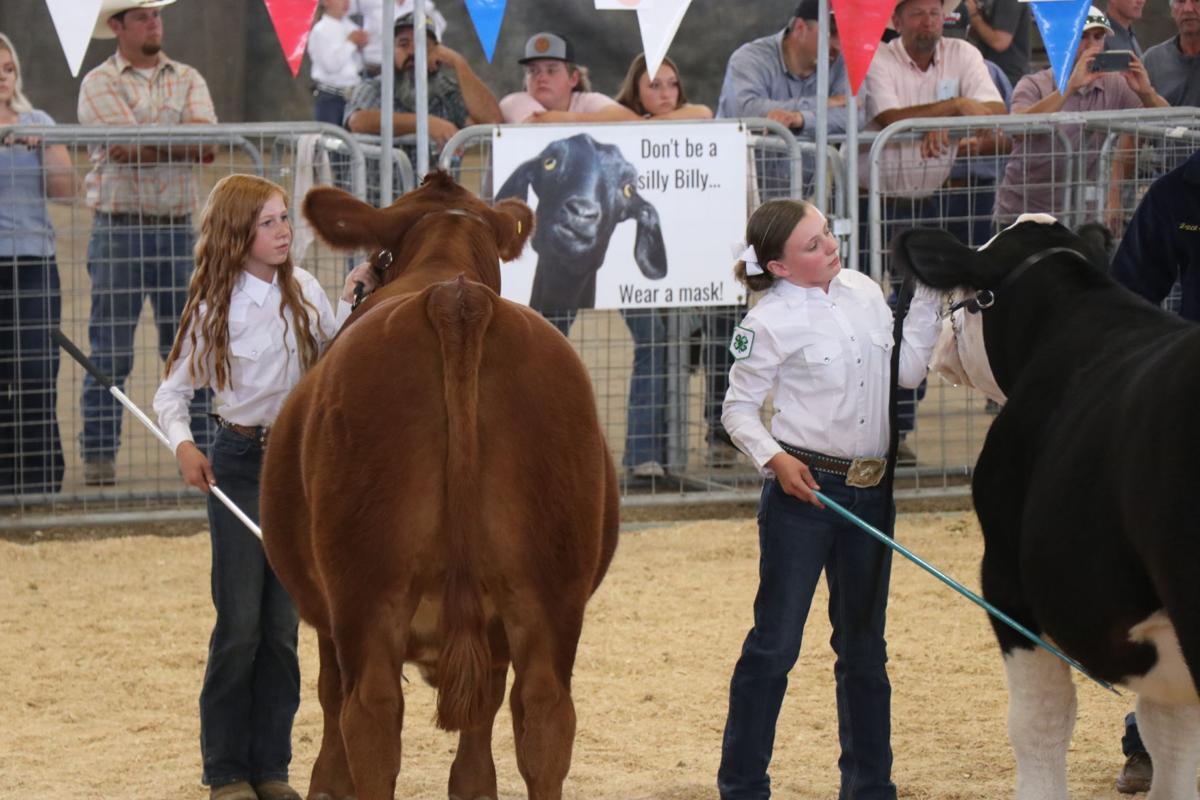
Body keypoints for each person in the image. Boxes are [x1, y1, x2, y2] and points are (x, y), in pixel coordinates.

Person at [153, 174, 377, 800]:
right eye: (270, 223)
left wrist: (352, 299)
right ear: (238, 234)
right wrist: (185, 446)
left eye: (285, 219)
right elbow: (171, 392)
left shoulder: (303, 289)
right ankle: (226, 771)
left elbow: (334, 354)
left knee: (284, 627)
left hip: (299, 466)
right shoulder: (212, 306)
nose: (284, 232)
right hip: (240, 464)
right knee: (241, 624)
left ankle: (271, 768)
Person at [715, 199, 941, 800]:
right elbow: (737, 410)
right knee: (775, 644)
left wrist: (924, 292)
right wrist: (774, 458)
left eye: (827, 234)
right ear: (780, 268)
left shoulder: (865, 292)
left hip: (872, 492)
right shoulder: (766, 323)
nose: (829, 247)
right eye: (812, 246)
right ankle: (742, 788)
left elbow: (909, 371)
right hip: (805, 493)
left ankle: (870, 788)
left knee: (865, 647)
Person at [77, 0, 217, 487]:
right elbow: (120, 146)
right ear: (118, 26)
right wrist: (178, 142)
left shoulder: (188, 75)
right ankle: (98, 456)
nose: (154, 22)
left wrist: (149, 143)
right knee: (110, 350)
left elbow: (208, 144)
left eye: (156, 15)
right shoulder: (98, 82)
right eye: (142, 16)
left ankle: (206, 450)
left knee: (189, 349)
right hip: (118, 227)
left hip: (179, 227)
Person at [860, 0, 1006, 459]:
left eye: (934, 12)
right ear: (896, 21)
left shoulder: (963, 54)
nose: (928, 21)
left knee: (921, 310)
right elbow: (889, 119)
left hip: (938, 199)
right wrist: (954, 108)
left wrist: (943, 121)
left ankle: (898, 426)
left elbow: (996, 110)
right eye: (918, 13)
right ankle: (879, 423)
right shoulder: (877, 58)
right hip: (878, 203)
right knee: (877, 310)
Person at [1105, 147, 1200, 794]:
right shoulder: (1180, 193)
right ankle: (1147, 742)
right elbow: (1126, 294)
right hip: (1189, 411)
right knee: (1172, 579)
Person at [610, 53, 712, 479]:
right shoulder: (616, 123)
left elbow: (704, 112)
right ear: (635, 89)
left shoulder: (694, 118)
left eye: (671, 84)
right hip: (629, 261)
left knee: (675, 343)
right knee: (654, 341)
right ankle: (643, 453)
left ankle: (668, 451)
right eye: (654, 85)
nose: (665, 93)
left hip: (683, 256)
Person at [992, 6, 1167, 231]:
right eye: (1082, 36)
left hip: (1084, 217)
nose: (1091, 45)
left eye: (1098, 37)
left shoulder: (1115, 84)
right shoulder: (1034, 83)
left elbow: (1170, 122)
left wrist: (1146, 91)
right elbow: (1015, 129)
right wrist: (1070, 87)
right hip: (1024, 214)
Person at [0, 32, 75, 495]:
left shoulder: (36, 119)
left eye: (8, 70)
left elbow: (66, 190)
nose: (3, 79)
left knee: (35, 370)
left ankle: (40, 476)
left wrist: (44, 145)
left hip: (32, 261)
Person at [344, 13, 501, 158]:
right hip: (384, 188)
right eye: (403, 44)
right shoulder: (374, 87)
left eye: (422, 44)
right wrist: (425, 123)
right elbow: (358, 121)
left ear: (438, 52)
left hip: (437, 188)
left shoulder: (447, 91)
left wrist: (459, 63)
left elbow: (492, 121)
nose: (413, 52)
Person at [499, 32, 639, 124]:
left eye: (551, 70)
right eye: (533, 71)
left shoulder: (586, 100)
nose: (541, 77)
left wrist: (557, 118)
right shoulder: (514, 101)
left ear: (573, 78)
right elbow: (537, 123)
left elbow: (628, 119)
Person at [307, 0, 366, 129]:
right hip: (330, 97)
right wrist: (351, 43)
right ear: (326, 2)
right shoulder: (320, 30)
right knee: (331, 141)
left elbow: (357, 65)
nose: (345, 3)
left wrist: (362, 47)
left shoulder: (351, 26)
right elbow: (331, 65)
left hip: (354, 96)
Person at [350, 0, 447, 76]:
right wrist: (352, 35)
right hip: (373, 68)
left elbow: (436, 34)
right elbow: (337, 13)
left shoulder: (424, 5)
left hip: (410, 70)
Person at [1142, 0, 1200, 107]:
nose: (1188, 9)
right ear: (1172, 10)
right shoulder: (1152, 61)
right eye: (1180, 1)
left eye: (1196, 1)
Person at [963, 0, 1033, 86]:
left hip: (1007, 77)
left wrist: (973, 15)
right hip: (990, 72)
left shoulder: (1007, 2)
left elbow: (999, 42)